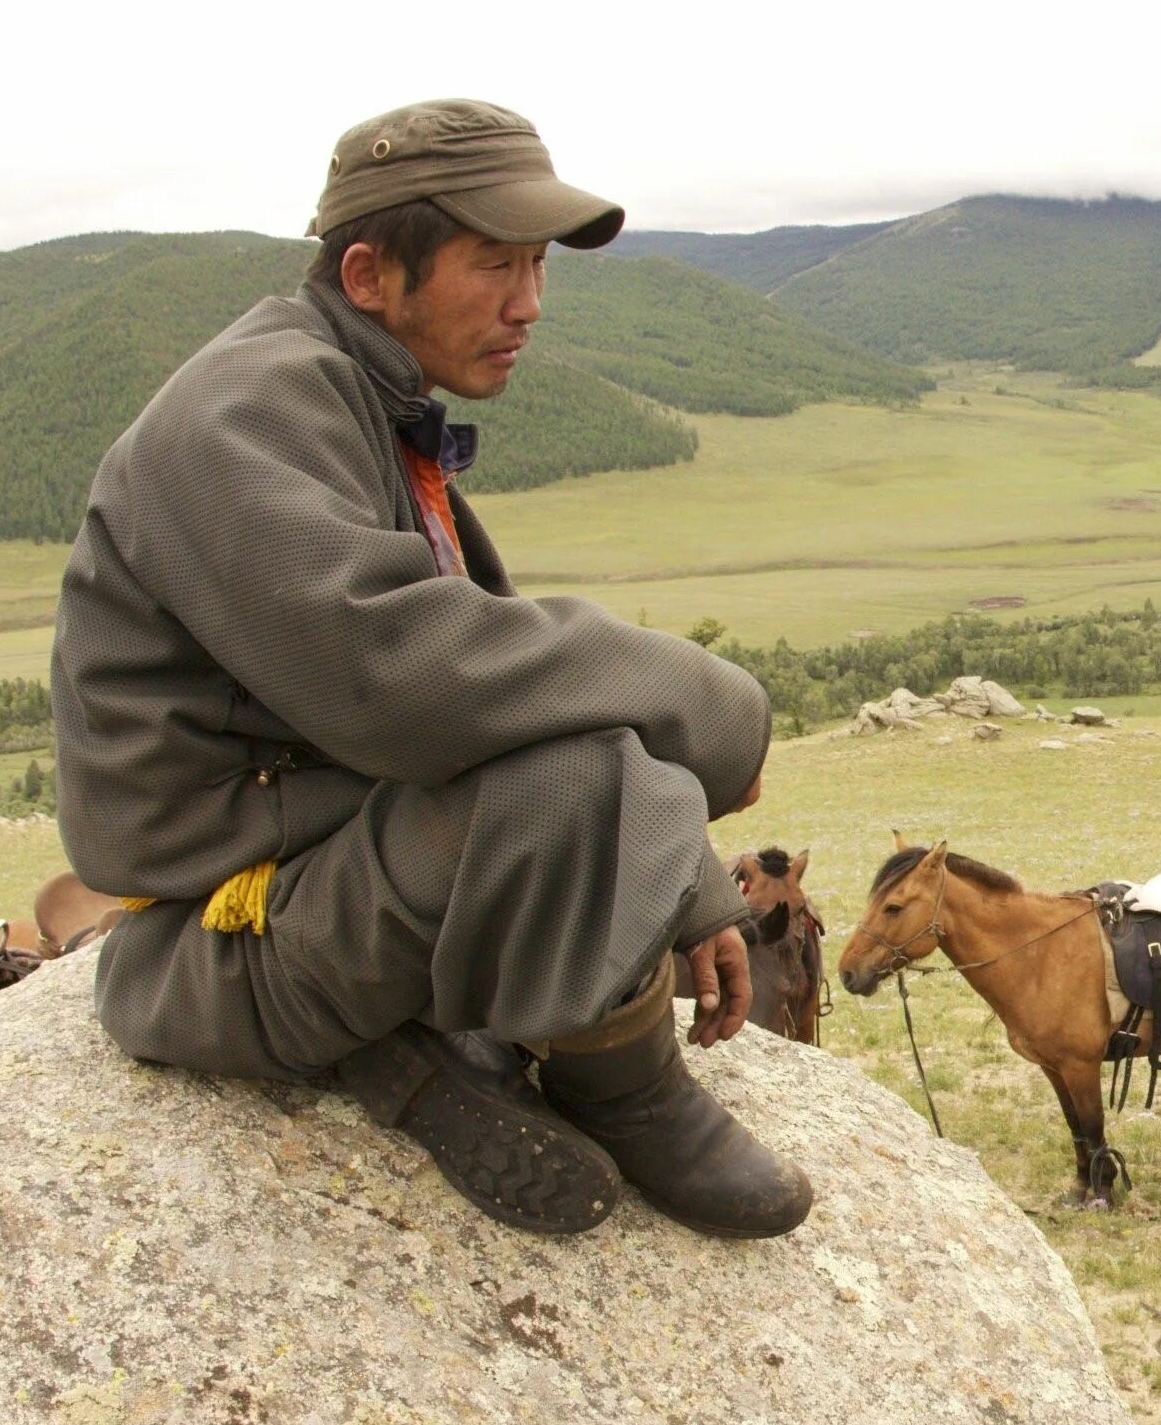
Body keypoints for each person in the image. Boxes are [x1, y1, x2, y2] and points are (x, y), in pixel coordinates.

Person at [50, 100, 811, 1238]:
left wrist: (676, 879)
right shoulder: (241, 417)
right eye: (494, 265)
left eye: (539, 266)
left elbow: (516, 693)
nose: (529, 304)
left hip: (331, 858)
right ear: (369, 274)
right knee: (567, 778)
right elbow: (406, 680)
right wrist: (706, 704)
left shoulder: (354, 394)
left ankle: (473, 1048)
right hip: (218, 931)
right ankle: (620, 1084)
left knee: (575, 749)